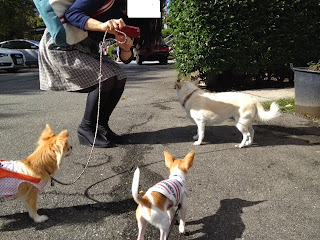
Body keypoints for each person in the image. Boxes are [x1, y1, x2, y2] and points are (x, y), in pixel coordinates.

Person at [38, 0, 163, 148]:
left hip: (87, 48)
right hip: (63, 46)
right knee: (105, 78)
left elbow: (126, 59)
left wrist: (125, 48)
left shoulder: (134, 15)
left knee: (120, 76)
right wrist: (102, 26)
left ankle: (101, 126)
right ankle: (86, 128)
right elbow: (72, 14)